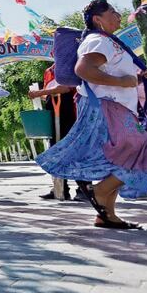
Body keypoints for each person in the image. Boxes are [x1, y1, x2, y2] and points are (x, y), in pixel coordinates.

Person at [36, 0, 147, 229]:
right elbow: (83, 70)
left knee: (119, 157)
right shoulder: (98, 40)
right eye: (113, 12)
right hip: (109, 107)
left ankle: (107, 215)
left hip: (118, 107)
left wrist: (140, 77)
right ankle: (99, 190)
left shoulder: (109, 42)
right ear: (98, 20)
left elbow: (119, 76)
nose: (118, 15)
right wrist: (122, 82)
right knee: (145, 148)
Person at [29, 66, 91, 201]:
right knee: (55, 151)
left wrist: (39, 92)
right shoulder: (48, 72)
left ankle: (84, 188)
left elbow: (66, 88)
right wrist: (41, 94)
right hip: (53, 113)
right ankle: (60, 188)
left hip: (70, 113)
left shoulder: (69, 66)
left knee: (75, 151)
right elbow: (49, 92)